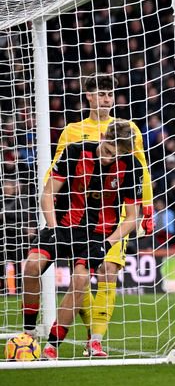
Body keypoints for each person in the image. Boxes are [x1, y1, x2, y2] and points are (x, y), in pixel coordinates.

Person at [44, 73, 154, 357]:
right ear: (89, 97)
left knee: (108, 271)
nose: (106, 99)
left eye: (110, 94)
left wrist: (147, 206)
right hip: (78, 217)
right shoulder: (72, 131)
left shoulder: (127, 129)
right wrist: (51, 207)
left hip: (115, 215)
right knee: (81, 277)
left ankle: (95, 339)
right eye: (101, 94)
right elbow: (56, 169)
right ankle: (85, 333)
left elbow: (141, 170)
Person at [23, 120, 144, 359]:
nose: (109, 158)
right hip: (63, 225)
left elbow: (132, 218)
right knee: (31, 266)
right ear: (102, 137)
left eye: (116, 155)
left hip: (97, 234)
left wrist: (109, 242)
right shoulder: (75, 151)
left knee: (80, 281)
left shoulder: (131, 167)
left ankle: (52, 347)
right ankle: (28, 334)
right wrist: (53, 225)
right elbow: (48, 193)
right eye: (108, 151)